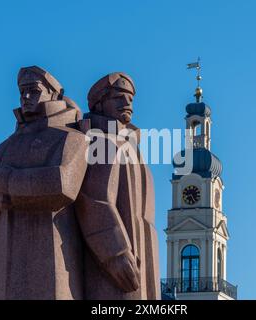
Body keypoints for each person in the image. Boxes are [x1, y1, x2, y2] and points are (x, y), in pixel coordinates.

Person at [0, 66, 88, 299]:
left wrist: (9, 182)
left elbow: (63, 185)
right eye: (22, 92)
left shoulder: (71, 138)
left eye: (34, 91)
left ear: (54, 94)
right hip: (2, 265)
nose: (26, 97)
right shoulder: (8, 146)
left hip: (52, 262)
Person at [75, 72, 160, 299]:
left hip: (142, 266)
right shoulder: (102, 142)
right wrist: (116, 254)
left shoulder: (131, 147)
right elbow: (94, 201)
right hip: (117, 272)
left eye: (131, 99)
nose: (128, 103)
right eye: (119, 97)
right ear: (100, 104)